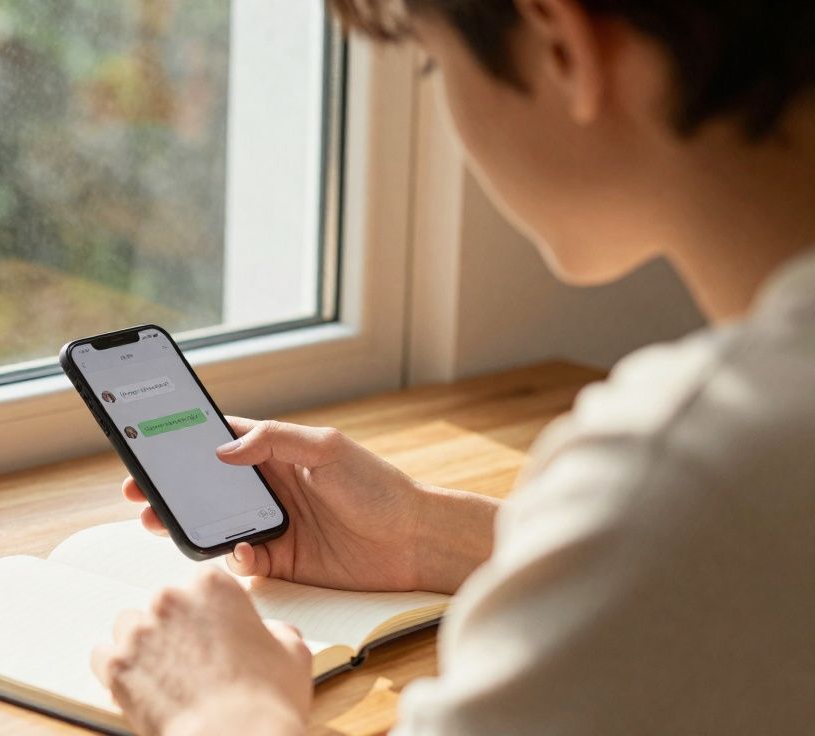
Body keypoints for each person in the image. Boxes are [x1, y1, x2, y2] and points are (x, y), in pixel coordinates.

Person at [90, 1, 815, 734]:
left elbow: (685, 528)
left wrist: (221, 707)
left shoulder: (684, 465)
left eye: (434, 63)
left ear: (561, 44)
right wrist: (421, 534)